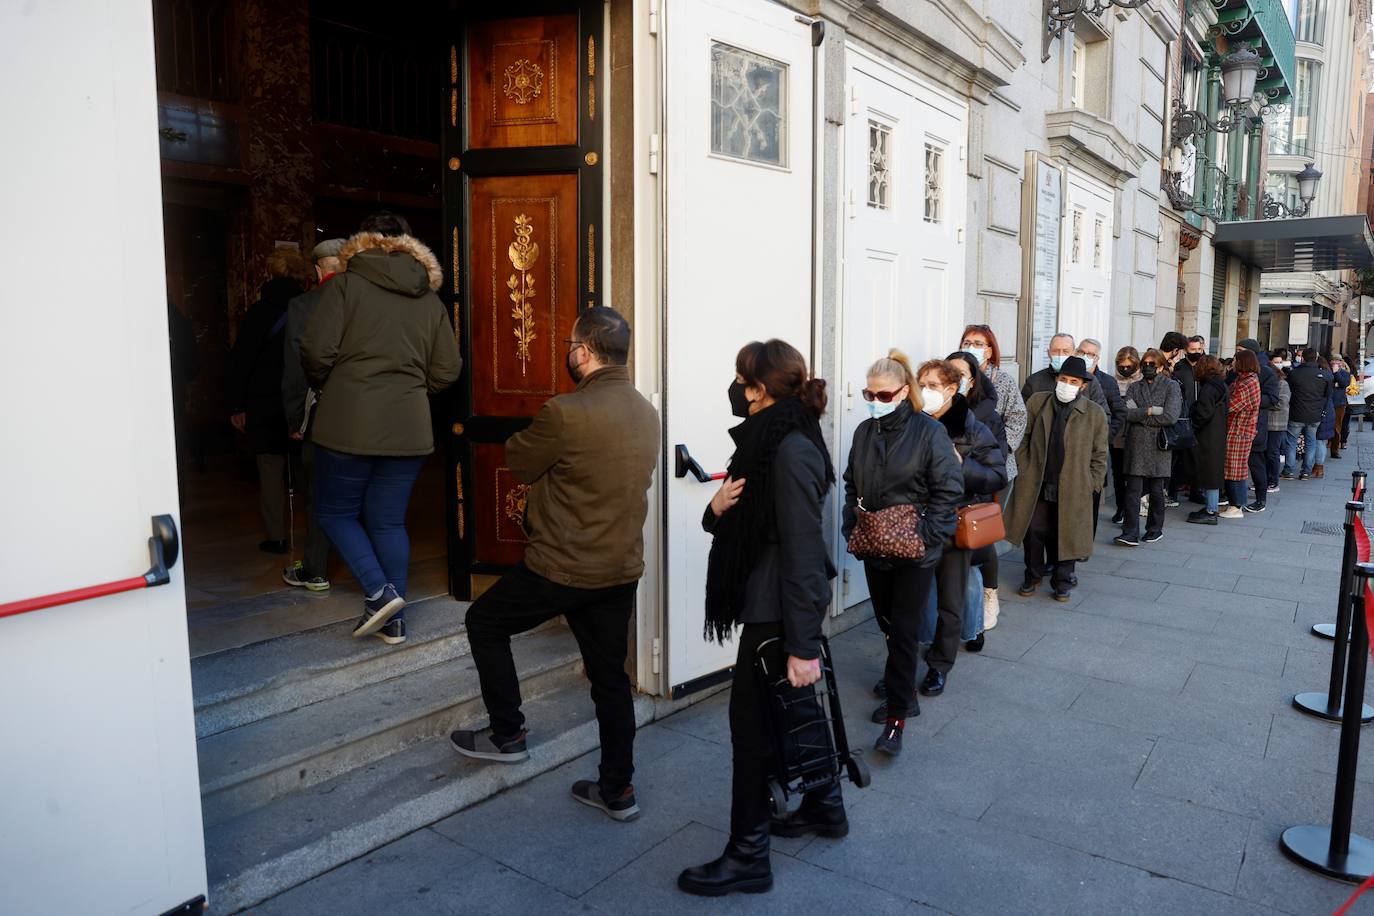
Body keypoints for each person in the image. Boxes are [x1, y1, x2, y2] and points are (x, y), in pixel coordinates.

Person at [453, 309, 658, 823]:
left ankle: (508, 733)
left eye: (570, 345)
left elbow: (520, 460)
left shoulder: (565, 412)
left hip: (561, 567)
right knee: (610, 679)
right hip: (618, 569)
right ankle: (618, 790)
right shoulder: (644, 411)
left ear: (585, 351)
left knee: (483, 622)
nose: (568, 352)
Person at [676, 339, 836, 897]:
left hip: (777, 613)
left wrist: (803, 645)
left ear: (759, 389)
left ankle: (748, 855)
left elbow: (802, 551)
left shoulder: (788, 449)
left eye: (741, 380)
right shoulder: (767, 444)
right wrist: (713, 508)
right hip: (770, 604)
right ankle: (825, 805)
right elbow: (741, 522)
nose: (735, 390)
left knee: (751, 730)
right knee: (787, 713)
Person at [300, 212, 463, 643]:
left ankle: (378, 591)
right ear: (410, 246)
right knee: (389, 521)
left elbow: (316, 350)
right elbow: (448, 369)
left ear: (362, 242)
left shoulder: (345, 286)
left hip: (346, 422)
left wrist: (333, 386)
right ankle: (394, 621)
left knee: (334, 512)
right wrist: (410, 390)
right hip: (409, 426)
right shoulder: (429, 300)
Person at [842, 351, 961, 756]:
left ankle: (897, 715)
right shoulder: (864, 432)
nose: (874, 399)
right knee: (889, 623)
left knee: (906, 628)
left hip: (914, 550)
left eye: (883, 393)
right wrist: (851, 523)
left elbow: (949, 491)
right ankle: (902, 686)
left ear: (903, 391)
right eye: (868, 393)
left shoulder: (928, 433)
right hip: (875, 545)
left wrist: (927, 537)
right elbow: (850, 484)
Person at [916, 359, 1006, 696]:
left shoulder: (973, 429)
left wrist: (963, 465)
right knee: (912, 598)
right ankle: (904, 662)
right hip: (916, 525)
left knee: (951, 601)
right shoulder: (913, 422)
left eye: (933, 386)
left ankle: (940, 665)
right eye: (921, 384)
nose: (925, 391)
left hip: (953, 526)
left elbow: (998, 475)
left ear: (952, 390)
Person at [1006, 356, 1108, 602]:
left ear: (1082, 385)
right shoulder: (1038, 402)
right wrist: (1024, 466)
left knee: (1067, 532)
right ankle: (1032, 575)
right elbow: (1023, 437)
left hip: (1074, 485)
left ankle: (1062, 581)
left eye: (1073, 381)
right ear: (1056, 380)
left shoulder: (1094, 413)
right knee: (1034, 531)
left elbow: (1100, 453)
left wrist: (1091, 483)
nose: (1067, 384)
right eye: (1063, 379)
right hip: (1037, 481)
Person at [229, 247, 310, 554]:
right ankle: (318, 536)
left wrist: (237, 405)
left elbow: (241, 362)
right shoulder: (310, 309)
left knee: (270, 469)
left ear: (271, 273)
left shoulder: (257, 313)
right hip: (301, 401)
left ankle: (277, 536)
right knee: (306, 470)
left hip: (263, 402)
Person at [280, 237, 346, 592]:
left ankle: (316, 570)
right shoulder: (364, 302)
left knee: (319, 493)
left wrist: (295, 419)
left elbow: (294, 368)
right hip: (367, 412)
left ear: (318, 269)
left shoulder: (303, 305)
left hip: (320, 412)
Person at [947, 351, 1007, 639]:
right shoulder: (925, 418)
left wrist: (963, 467)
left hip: (969, 506)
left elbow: (997, 470)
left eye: (961, 376)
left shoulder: (984, 421)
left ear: (972, 383)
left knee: (970, 568)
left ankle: (975, 625)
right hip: (935, 512)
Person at [1113, 349, 1181, 547]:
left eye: (1152, 364)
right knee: (1132, 490)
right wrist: (1150, 411)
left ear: (1161, 366)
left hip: (1159, 444)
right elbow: (1128, 413)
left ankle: (1154, 529)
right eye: (1145, 364)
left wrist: (1141, 417)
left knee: (1156, 490)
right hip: (1136, 445)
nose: (1148, 367)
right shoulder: (1134, 387)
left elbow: (1170, 416)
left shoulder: (1171, 386)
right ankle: (1129, 532)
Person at [959, 324, 1026, 479]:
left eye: (978, 344)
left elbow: (1018, 418)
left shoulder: (1003, 381)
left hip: (995, 462)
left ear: (989, 351)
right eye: (967, 343)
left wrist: (999, 446)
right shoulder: (953, 376)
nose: (971, 348)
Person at [1022, 333, 1111, 421]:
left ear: (1074, 353)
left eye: (1065, 351)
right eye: (1056, 351)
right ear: (1049, 353)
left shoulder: (1089, 381)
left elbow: (1103, 417)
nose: (1060, 355)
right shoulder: (1034, 381)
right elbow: (1023, 417)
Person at [1235, 339, 1278, 511]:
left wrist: (1251, 399)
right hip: (1235, 425)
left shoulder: (1267, 373)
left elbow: (1273, 399)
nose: (1236, 353)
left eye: (1240, 350)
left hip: (1254, 425)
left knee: (1255, 462)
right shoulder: (1236, 371)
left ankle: (1261, 498)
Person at [1186, 356, 1228, 525]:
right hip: (1217, 434)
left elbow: (1203, 413)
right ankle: (1211, 507)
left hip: (1208, 435)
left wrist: (1193, 421)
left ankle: (1211, 510)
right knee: (1213, 472)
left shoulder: (1209, 388)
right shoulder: (1221, 385)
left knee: (1210, 473)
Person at [1221, 349, 1261, 519]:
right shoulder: (1244, 379)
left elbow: (1231, 405)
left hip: (1239, 431)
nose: (1233, 363)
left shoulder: (1247, 383)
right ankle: (1235, 503)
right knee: (1234, 467)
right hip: (1238, 430)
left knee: (1235, 469)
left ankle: (1236, 505)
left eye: (1236, 360)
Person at [1161, 332, 1200, 505]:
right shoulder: (1173, 367)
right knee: (1170, 459)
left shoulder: (1202, 365)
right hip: (1172, 419)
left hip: (1188, 419)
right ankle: (1165, 493)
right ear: (1177, 350)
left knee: (1182, 459)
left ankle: (1177, 491)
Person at [1284, 346, 1332, 480]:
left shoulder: (1294, 373)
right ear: (1316, 358)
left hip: (1296, 413)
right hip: (1315, 414)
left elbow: (1289, 391)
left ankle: (1289, 470)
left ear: (1303, 358)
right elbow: (1327, 395)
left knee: (1291, 442)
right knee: (1311, 442)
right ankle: (1306, 471)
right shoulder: (1324, 376)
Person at [1110, 347, 1142, 522]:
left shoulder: (1143, 380)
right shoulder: (1112, 380)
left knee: (1134, 475)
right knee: (1118, 472)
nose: (1125, 369)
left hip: (1137, 433)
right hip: (1117, 433)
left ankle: (1132, 509)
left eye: (1129, 366)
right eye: (1122, 366)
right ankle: (1121, 507)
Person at [1265, 352, 1291, 491]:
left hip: (1277, 424)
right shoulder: (1270, 382)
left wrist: (1264, 404)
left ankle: (1273, 481)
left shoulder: (1282, 384)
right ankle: (1266, 480)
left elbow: (1281, 403)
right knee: (1265, 453)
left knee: (1272, 452)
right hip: (1266, 423)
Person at [1333, 355, 1354, 452]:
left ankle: (1335, 448)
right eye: (1334, 361)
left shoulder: (1345, 373)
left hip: (1339, 403)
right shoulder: (1328, 371)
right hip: (1328, 402)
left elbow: (1344, 383)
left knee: (1338, 426)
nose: (1336, 363)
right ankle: (1329, 442)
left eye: (1338, 361)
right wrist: (1335, 384)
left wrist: (1336, 373)